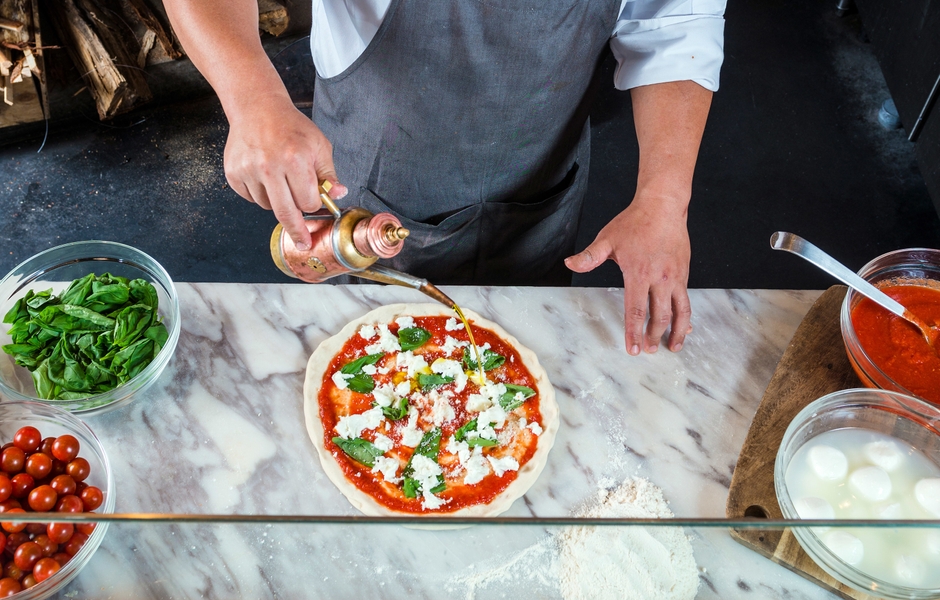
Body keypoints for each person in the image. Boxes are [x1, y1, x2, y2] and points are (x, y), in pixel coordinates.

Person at [163, 0, 726, 355]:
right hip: (370, 186)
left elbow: (675, 28)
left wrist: (664, 198)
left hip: (538, 191)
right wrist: (253, 99)